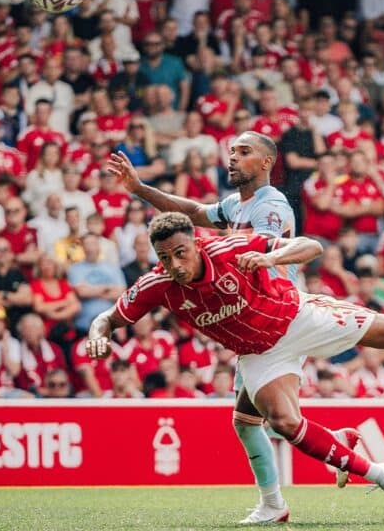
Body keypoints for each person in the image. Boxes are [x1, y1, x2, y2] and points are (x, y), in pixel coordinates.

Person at [87, 213, 384, 516]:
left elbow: (310, 246)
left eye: (180, 253)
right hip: (260, 354)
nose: (174, 263)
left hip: (301, 317)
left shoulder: (228, 247)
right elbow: (108, 318)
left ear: (196, 243)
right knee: (282, 421)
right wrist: (97, 336)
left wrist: (271, 255)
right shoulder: (156, 284)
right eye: (165, 258)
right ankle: (375, 473)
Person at [105, 130, 300, 523]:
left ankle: (280, 500)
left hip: (277, 317)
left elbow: (262, 248)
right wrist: (141, 188)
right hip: (255, 321)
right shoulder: (238, 204)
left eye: (243, 152)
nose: (232, 157)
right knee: (259, 420)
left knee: (262, 421)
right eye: (231, 151)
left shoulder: (271, 206)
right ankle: (281, 497)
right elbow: (194, 212)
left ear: (266, 162)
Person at [15, 313, 66, 396]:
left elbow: (63, 374)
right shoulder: (17, 352)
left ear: (42, 330)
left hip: (57, 392)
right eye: (26, 328)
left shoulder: (55, 349)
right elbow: (21, 383)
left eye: (33, 327)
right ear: (21, 332)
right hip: (31, 395)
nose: (29, 331)